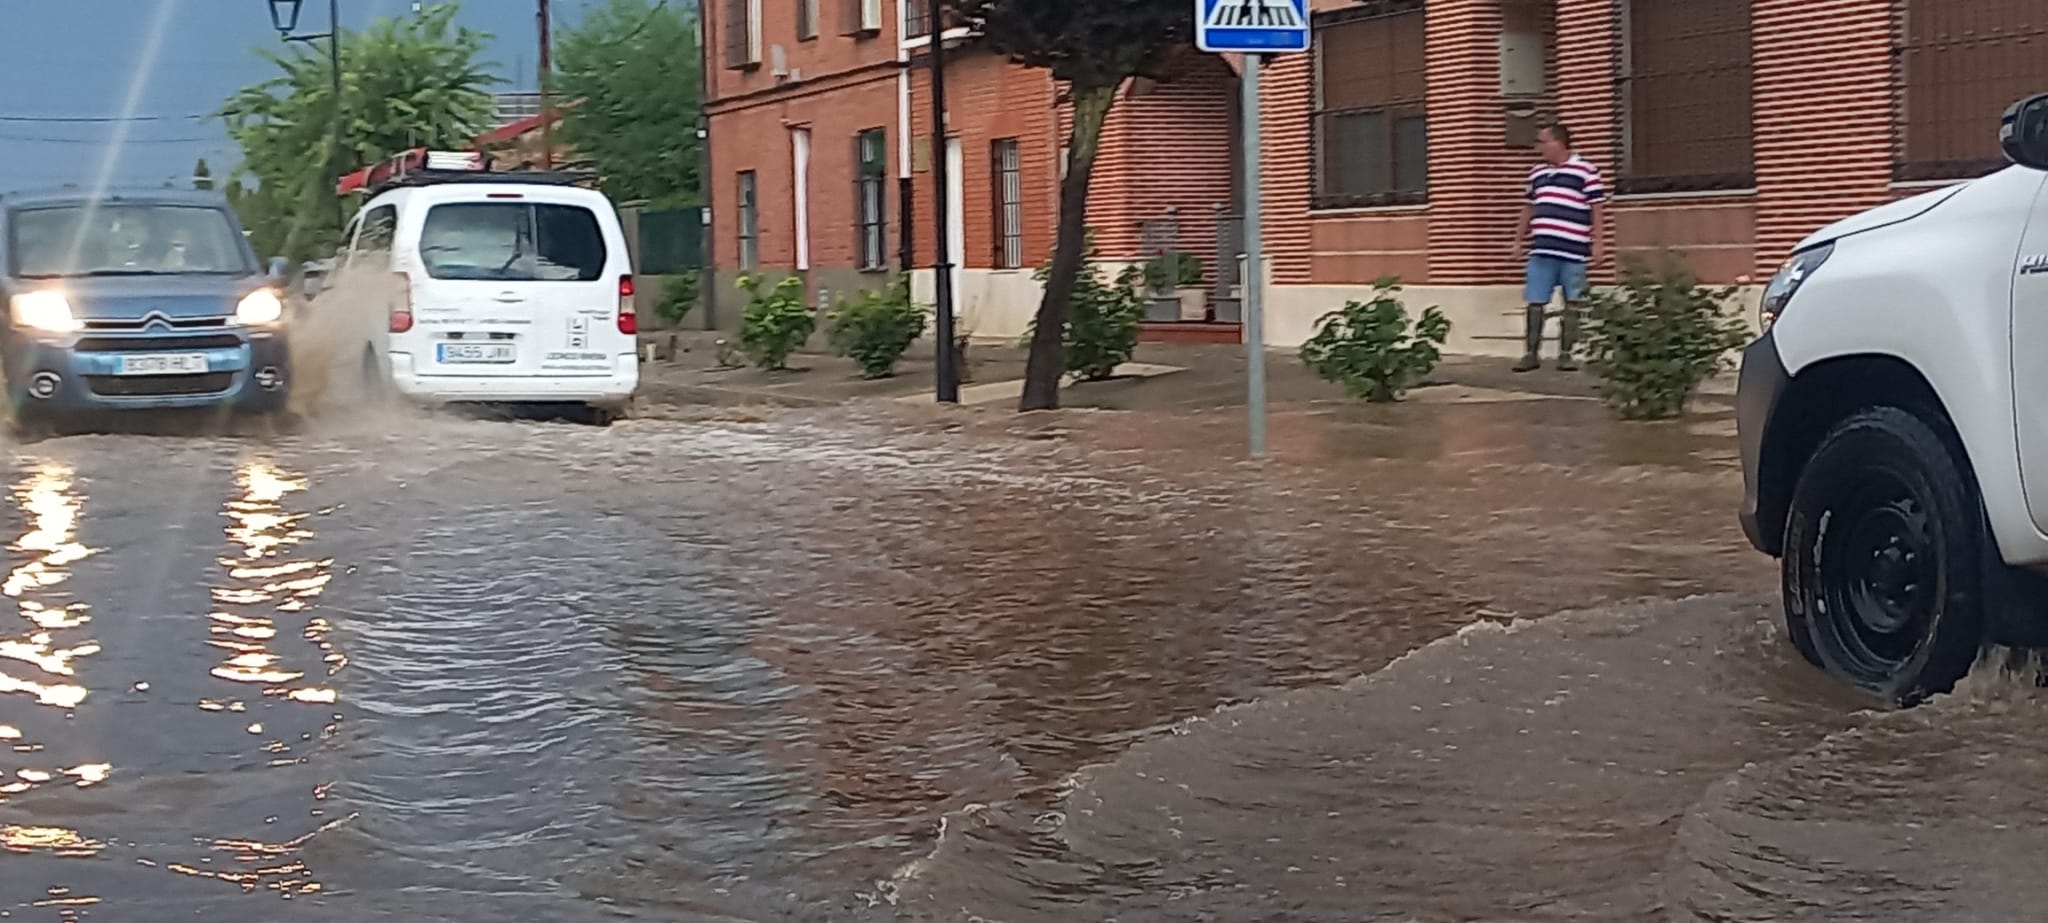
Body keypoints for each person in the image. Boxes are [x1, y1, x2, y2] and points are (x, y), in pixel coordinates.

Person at [1512, 122, 1606, 373]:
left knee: (1573, 300)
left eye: (1542, 142)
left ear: (1558, 143)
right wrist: (1519, 239)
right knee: (1535, 301)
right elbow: (1528, 207)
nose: (1538, 148)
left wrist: (1598, 242)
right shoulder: (1537, 174)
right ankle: (1531, 353)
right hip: (1542, 248)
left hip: (1574, 249)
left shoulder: (1586, 171)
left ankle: (1566, 353)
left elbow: (1597, 208)